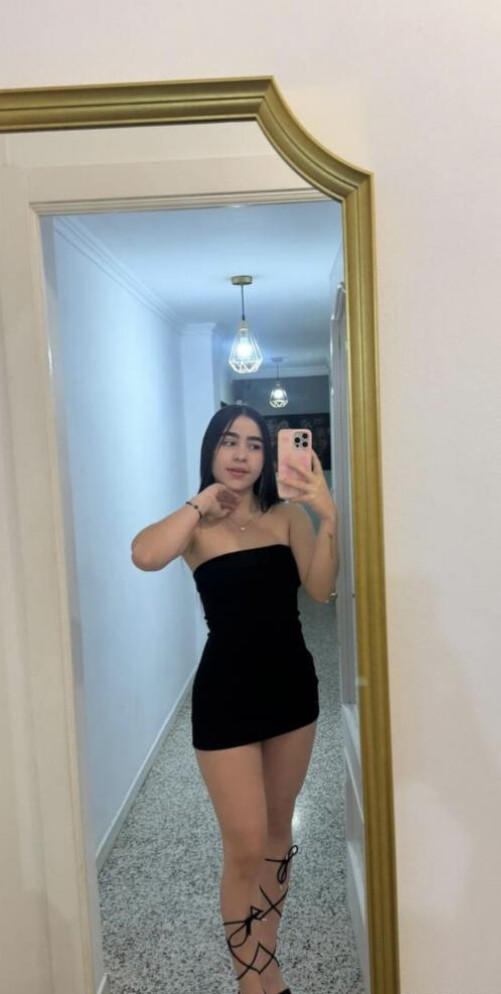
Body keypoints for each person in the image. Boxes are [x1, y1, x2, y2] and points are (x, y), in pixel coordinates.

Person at [131, 404, 339, 994]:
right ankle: (252, 979)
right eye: (230, 442)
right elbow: (145, 555)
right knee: (245, 843)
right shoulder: (195, 526)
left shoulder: (287, 517)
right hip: (226, 695)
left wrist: (327, 516)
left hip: (292, 689)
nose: (242, 454)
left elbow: (320, 589)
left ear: (268, 458)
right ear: (212, 451)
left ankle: (264, 958)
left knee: (277, 833)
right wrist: (200, 503)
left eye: (254, 444)